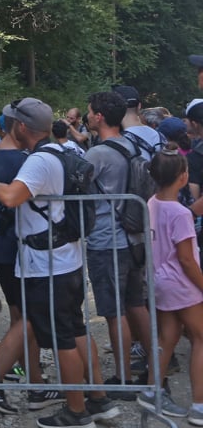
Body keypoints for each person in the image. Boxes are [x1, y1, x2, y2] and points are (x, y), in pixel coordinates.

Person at [0, 97, 119, 428]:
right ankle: (98, 399)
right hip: (67, 259)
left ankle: (75, 413)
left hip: (46, 265)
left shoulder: (38, 162)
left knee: (62, 340)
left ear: (22, 127)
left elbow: (12, 197)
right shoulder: (64, 152)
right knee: (77, 330)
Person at [0, 108, 55, 415]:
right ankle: (7, 380)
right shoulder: (27, 161)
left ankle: (34, 381)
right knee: (28, 316)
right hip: (25, 249)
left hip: (1, 248)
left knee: (22, 315)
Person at [83, 91, 153, 396]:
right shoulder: (132, 144)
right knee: (136, 304)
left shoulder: (96, 154)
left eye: (89, 112)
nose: (86, 117)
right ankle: (156, 369)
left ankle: (122, 377)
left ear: (99, 117)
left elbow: (78, 187)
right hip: (133, 238)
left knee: (114, 311)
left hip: (106, 241)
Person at [142, 147, 203, 423]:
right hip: (181, 283)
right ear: (182, 177)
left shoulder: (151, 202)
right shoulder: (180, 214)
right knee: (201, 338)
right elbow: (187, 260)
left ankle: (152, 390)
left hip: (160, 280)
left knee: (167, 337)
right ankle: (200, 406)